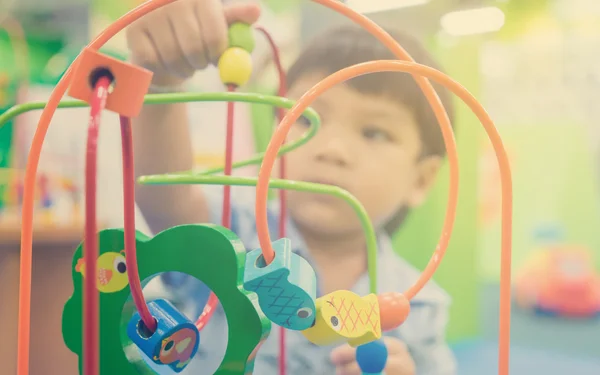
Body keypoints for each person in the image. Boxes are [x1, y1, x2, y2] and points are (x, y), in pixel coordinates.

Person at [125, 1, 457, 374]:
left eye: (373, 132)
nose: (331, 149)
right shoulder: (233, 234)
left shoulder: (420, 303)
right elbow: (165, 196)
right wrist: (165, 78)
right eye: (306, 119)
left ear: (422, 179)